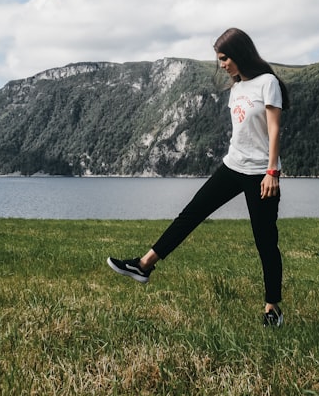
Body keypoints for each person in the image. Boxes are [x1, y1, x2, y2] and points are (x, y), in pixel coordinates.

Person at [108, 28, 289, 327]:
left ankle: (272, 308)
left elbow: (274, 129)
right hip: (232, 166)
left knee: (265, 241)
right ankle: (143, 265)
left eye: (225, 58)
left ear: (240, 53)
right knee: (190, 214)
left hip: (260, 173)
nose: (222, 64)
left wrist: (272, 172)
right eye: (219, 59)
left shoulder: (267, 83)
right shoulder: (236, 88)